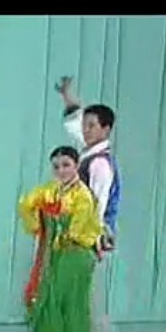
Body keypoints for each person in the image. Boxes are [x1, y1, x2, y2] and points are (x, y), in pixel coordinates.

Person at [19, 146, 102, 332]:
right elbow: (26, 203)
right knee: (48, 304)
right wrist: (39, 221)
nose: (61, 170)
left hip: (75, 257)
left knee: (71, 309)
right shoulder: (51, 190)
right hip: (54, 256)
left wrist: (57, 225)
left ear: (76, 166)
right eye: (56, 166)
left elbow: (76, 231)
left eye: (66, 165)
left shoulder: (83, 196)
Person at [55, 76, 121, 253]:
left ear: (105, 130)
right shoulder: (89, 149)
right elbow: (74, 121)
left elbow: (98, 202)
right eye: (84, 125)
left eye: (91, 126)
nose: (85, 130)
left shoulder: (100, 163)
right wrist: (67, 95)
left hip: (88, 236)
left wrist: (92, 237)